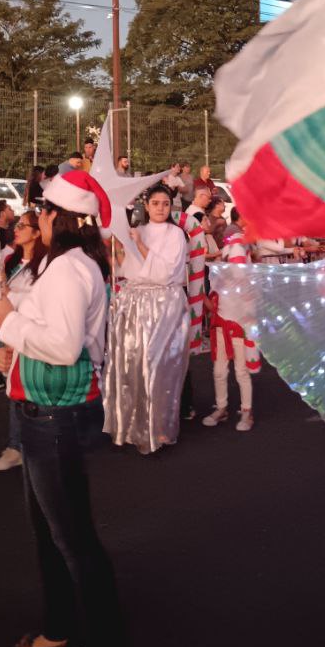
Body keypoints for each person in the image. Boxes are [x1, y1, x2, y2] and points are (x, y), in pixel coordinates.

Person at [0, 171, 127, 647]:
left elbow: (65, 347)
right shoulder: (63, 264)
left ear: (58, 217)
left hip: (55, 418)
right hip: (43, 413)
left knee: (71, 538)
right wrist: (12, 353)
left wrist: (9, 322)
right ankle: (60, 630)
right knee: (52, 533)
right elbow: (43, 332)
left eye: (41, 211)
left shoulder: (69, 268)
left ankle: (106, 645)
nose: (35, 218)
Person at [105, 183, 190, 454]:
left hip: (164, 305)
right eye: (155, 203)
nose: (161, 209)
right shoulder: (135, 231)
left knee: (159, 368)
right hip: (135, 304)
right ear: (147, 205)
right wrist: (117, 248)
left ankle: (159, 427)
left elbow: (165, 273)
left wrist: (139, 246)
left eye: (165, 204)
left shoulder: (176, 234)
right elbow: (123, 267)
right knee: (132, 364)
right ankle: (132, 426)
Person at [0, 209, 45, 471]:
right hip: (9, 333)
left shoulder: (45, 266)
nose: (17, 229)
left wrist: (12, 295)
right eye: (17, 224)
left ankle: (26, 445)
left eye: (23, 226)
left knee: (29, 391)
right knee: (14, 391)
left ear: (37, 233)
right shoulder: (11, 261)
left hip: (29, 333)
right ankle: (16, 445)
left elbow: (37, 302)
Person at [203, 215, 258, 432]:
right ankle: (222, 407)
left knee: (241, 370)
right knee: (219, 369)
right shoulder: (227, 251)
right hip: (222, 317)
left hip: (239, 318)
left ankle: (246, 411)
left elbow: (239, 277)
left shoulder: (238, 250)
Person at [177, 185, 212, 420]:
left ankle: (185, 403)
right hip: (158, 304)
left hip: (179, 299)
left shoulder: (184, 235)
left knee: (180, 356)